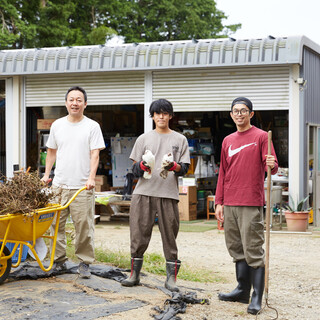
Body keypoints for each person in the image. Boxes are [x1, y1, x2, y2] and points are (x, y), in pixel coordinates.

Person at [215, 97, 278, 315]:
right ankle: (242, 290)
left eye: (243, 110)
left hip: (251, 201)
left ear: (251, 114)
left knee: (253, 248)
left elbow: (272, 165)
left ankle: (256, 297)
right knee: (236, 248)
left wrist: (272, 164)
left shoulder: (261, 136)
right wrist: (219, 201)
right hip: (230, 201)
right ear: (231, 115)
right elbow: (223, 172)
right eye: (235, 111)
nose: (239, 114)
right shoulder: (227, 140)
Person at [121, 99, 190, 292]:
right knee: (138, 233)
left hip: (168, 193)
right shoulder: (143, 139)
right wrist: (142, 166)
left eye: (165, 113)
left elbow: (184, 168)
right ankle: (134, 274)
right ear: (152, 116)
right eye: (157, 113)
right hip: (143, 192)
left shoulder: (180, 139)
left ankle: (171, 278)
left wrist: (173, 166)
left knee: (170, 234)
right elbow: (134, 169)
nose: (161, 116)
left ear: (170, 116)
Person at [41, 86, 105, 279]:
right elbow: (51, 151)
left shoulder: (92, 126)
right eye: (71, 99)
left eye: (79, 100)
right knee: (54, 225)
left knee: (84, 226)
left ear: (85, 104)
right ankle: (58, 261)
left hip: (82, 187)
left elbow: (95, 154)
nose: (74, 103)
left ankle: (84, 262)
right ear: (66, 103)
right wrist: (46, 175)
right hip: (59, 185)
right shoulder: (57, 125)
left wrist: (91, 178)